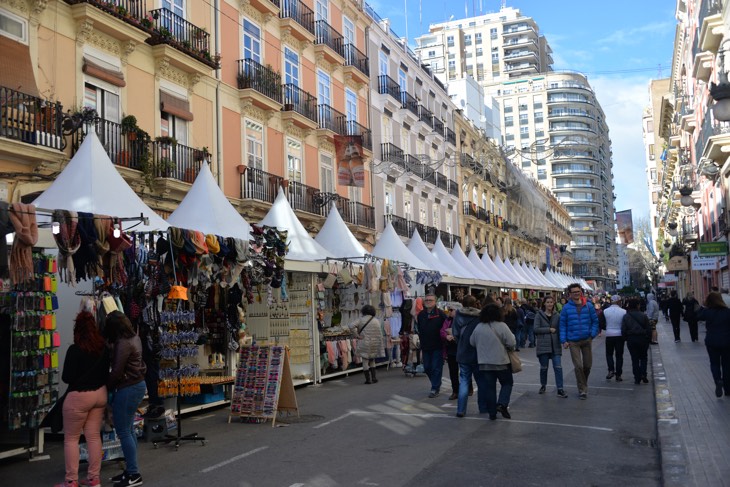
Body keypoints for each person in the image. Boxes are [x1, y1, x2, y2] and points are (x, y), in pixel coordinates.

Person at [55, 311, 110, 487]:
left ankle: (71, 480)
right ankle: (94, 478)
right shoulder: (103, 349)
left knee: (71, 438)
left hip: (79, 398)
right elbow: (105, 374)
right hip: (99, 395)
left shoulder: (74, 350)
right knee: (93, 436)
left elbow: (67, 377)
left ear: (77, 330)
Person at [105, 311, 146, 487]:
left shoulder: (123, 343)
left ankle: (134, 473)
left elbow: (117, 371)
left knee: (123, 431)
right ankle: (130, 470)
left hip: (127, 387)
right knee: (128, 429)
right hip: (137, 385)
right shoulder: (135, 337)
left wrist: (107, 386)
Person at [469, 303, 516, 420]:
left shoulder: (479, 327)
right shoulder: (502, 326)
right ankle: (502, 403)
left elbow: (472, 342)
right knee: (507, 383)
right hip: (501, 362)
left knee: (489, 387)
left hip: (484, 363)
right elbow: (511, 343)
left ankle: (492, 413)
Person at [559, 283, 599, 400]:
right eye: (574, 292)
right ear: (569, 294)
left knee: (587, 365)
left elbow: (595, 321)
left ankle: (583, 384)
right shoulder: (566, 308)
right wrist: (564, 340)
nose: (576, 294)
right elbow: (562, 325)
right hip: (573, 341)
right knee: (578, 366)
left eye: (578, 291)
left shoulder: (589, 305)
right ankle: (582, 390)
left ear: (581, 292)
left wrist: (592, 334)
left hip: (587, 339)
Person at [696, 292, 730, 397]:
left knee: (714, 364)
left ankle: (718, 381)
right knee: (727, 365)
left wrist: (703, 306)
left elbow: (697, 316)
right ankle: (728, 389)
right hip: (727, 341)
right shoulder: (727, 312)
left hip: (712, 341)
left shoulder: (707, 312)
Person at [452, 295, 481, 417]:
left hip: (463, 351)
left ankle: (461, 410)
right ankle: (483, 407)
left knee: (464, 381)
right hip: (478, 353)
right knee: (481, 381)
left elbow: (455, 333)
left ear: (462, 304)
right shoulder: (480, 316)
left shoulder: (458, 315)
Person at [534, 296, 567, 398]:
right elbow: (535, 329)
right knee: (544, 368)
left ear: (554, 304)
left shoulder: (557, 315)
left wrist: (564, 340)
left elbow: (561, 328)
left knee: (558, 367)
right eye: (547, 302)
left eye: (551, 302)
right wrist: (548, 329)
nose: (549, 304)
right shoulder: (539, 315)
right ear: (544, 304)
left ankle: (560, 389)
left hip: (555, 345)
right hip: (543, 345)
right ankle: (543, 385)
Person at [415, 293, 447, 398]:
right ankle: (436, 383)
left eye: (430, 300)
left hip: (437, 345)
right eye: (427, 300)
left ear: (435, 302)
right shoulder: (421, 315)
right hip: (425, 345)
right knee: (427, 367)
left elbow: (445, 328)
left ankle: (435, 387)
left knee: (436, 367)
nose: (428, 302)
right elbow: (419, 328)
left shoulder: (441, 314)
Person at [349, 304, 385, 384]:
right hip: (374, 343)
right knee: (372, 359)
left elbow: (351, 326)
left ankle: (368, 379)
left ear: (363, 311)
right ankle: (374, 378)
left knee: (365, 360)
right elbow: (379, 333)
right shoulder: (376, 320)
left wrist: (357, 336)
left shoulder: (361, 320)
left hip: (364, 342)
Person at [621, 298, 652, 385]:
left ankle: (637, 378)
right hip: (642, 338)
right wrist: (648, 339)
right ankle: (643, 374)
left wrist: (626, 339)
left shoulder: (626, 316)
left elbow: (623, 330)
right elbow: (648, 329)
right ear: (637, 305)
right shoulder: (643, 315)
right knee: (643, 357)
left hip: (632, 339)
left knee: (634, 359)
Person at [600, 295, 626, 382]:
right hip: (620, 335)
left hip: (609, 334)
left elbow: (601, 323)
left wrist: (607, 328)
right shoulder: (624, 311)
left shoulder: (605, 311)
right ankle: (618, 374)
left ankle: (611, 370)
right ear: (619, 301)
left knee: (609, 354)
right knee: (619, 355)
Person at [440, 307, 459, 400]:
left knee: (464, 371)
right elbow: (442, 331)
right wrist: (446, 336)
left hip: (461, 348)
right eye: (449, 310)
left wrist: (455, 335)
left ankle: (468, 388)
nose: (449, 312)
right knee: (453, 371)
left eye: (452, 310)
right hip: (451, 349)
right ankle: (455, 391)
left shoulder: (462, 320)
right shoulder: (447, 320)